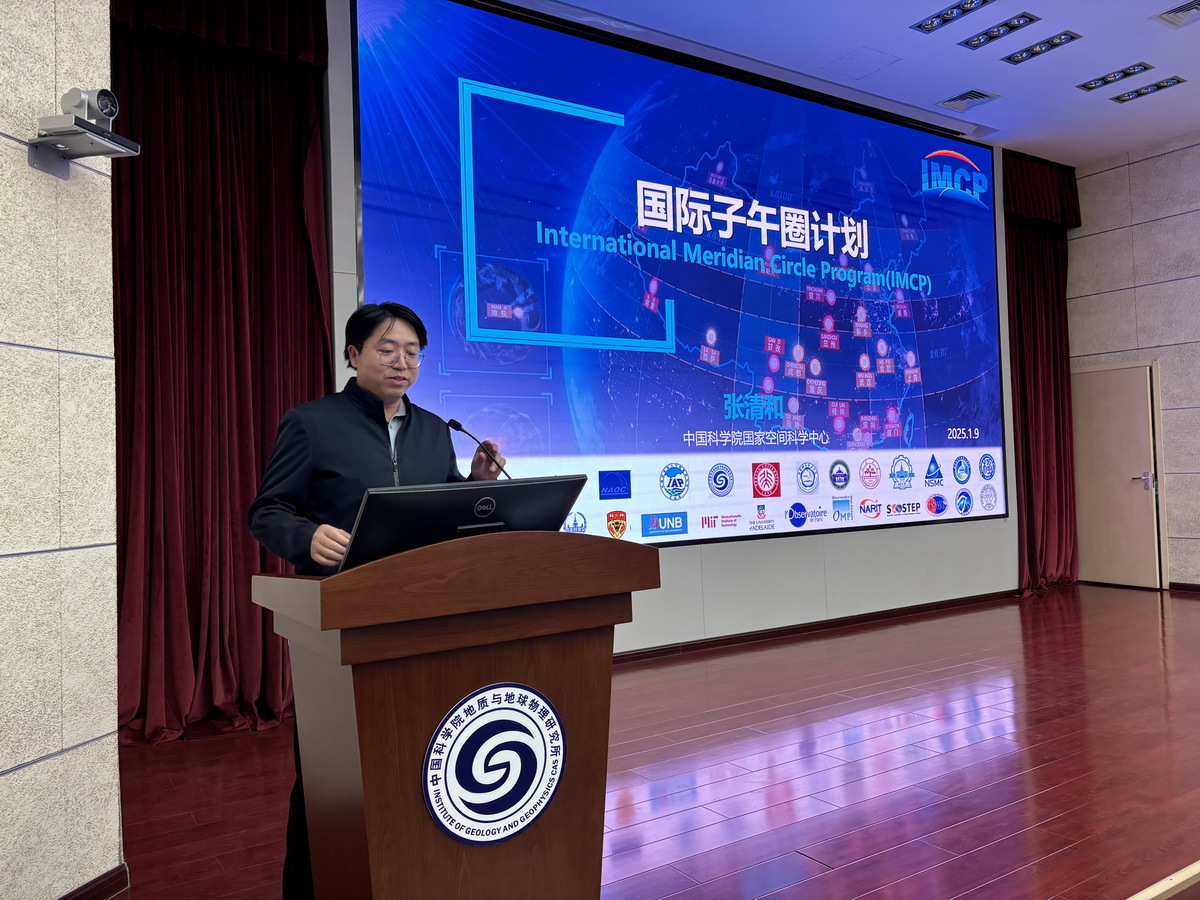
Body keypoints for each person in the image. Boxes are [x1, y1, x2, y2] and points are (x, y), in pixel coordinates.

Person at [248, 301, 504, 897]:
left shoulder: (435, 429)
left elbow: (443, 511)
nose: (401, 362)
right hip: (341, 617)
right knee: (332, 773)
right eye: (386, 349)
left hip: (422, 614)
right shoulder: (311, 423)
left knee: (419, 763)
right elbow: (268, 512)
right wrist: (307, 537)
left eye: (413, 353)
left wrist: (476, 485)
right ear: (353, 354)